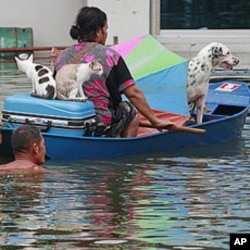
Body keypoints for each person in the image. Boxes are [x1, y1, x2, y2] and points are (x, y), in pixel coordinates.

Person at [55, 6, 175, 138]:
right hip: (98, 122)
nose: (106, 33)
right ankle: (126, 148)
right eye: (106, 29)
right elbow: (133, 93)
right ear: (99, 31)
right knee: (130, 109)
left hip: (65, 120)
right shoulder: (109, 56)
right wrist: (155, 120)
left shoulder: (63, 56)